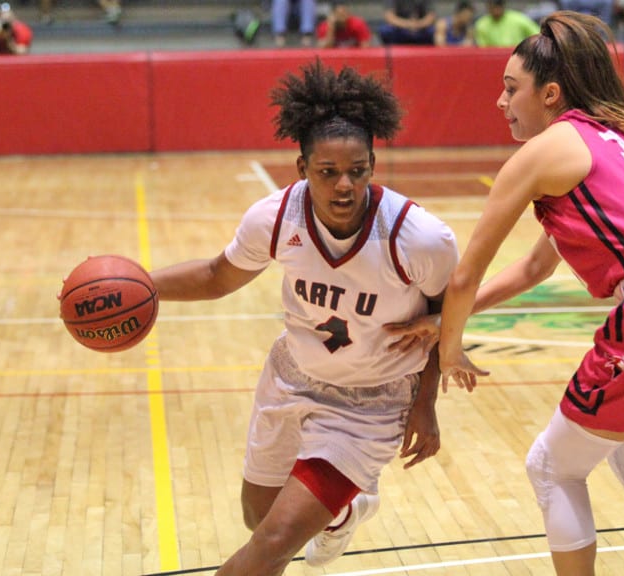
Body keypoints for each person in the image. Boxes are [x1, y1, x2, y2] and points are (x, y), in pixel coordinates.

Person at [422, 11, 624, 576]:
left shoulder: (542, 153)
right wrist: (446, 319)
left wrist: (447, 348)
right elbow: (531, 270)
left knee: (551, 467)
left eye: (510, 89)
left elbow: (464, 275)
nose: (500, 103)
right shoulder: (618, 138)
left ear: (550, 94)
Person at [148, 60, 459, 575]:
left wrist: (425, 403)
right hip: (292, 377)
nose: (344, 187)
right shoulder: (274, 218)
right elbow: (214, 276)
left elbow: (446, 316)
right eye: (328, 173)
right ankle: (345, 515)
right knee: (259, 517)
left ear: (374, 164)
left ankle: (335, 507)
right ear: (301, 169)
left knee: (271, 544)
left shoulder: (418, 238)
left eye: (357, 171)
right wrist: (140, 284)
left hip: (370, 405)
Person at [474, 0, 540, 47]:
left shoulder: (519, 19)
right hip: (493, 58)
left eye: (498, 7)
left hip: (517, 57)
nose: (495, 10)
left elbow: (538, 34)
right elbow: (483, 48)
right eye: (492, 7)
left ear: (503, 6)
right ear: (488, 7)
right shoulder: (481, 24)